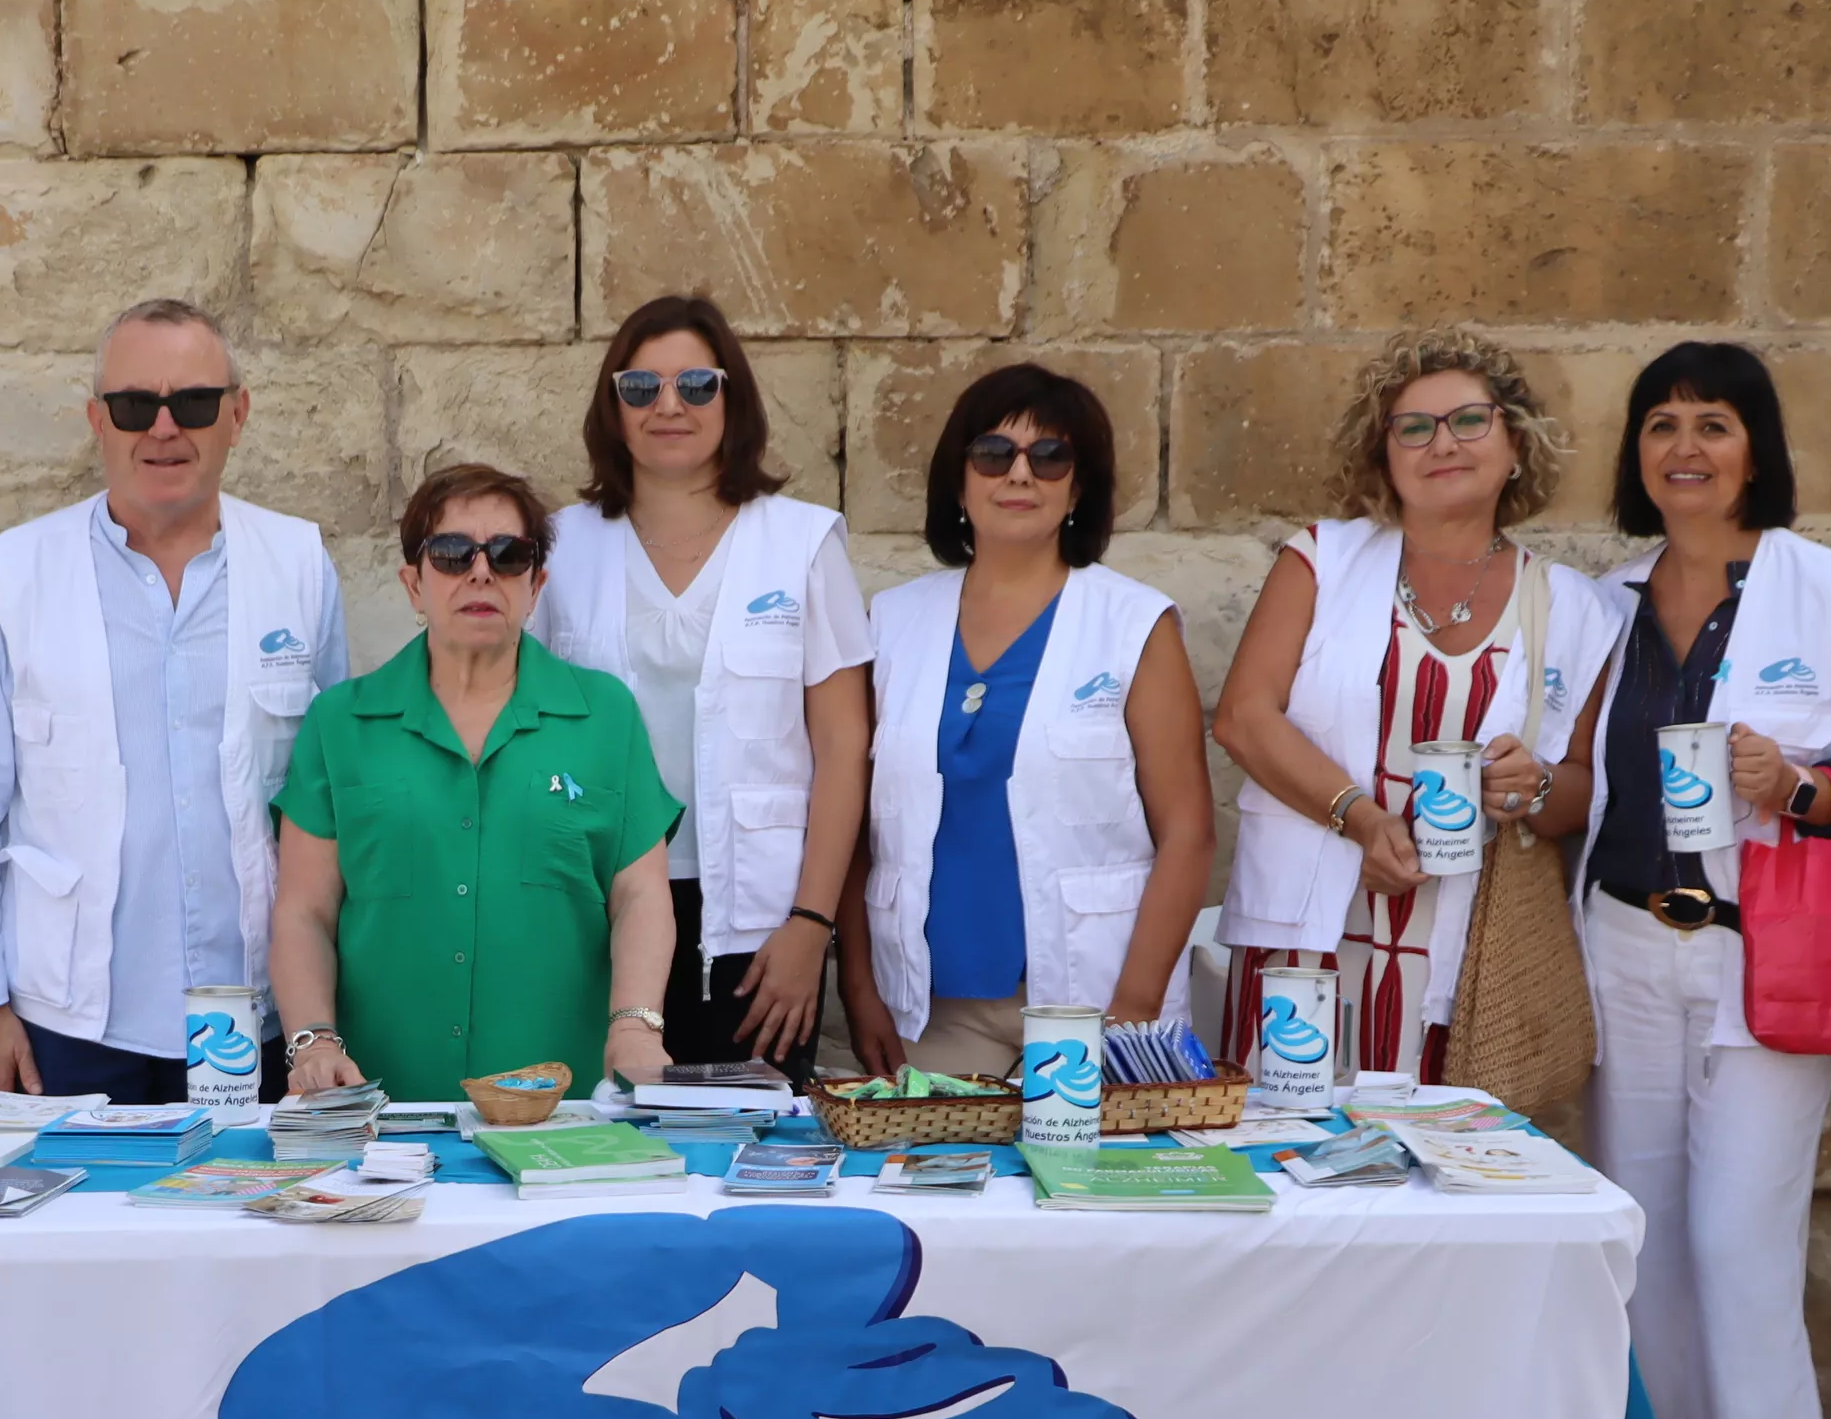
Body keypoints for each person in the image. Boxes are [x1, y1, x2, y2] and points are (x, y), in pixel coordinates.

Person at [1565, 342, 1831, 1419]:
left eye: (1713, 424)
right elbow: (1576, 770)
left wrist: (1801, 788)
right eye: (1661, 425)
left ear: (1756, 447)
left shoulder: (1828, 592)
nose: (1685, 447)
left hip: (1767, 953)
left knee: (1739, 1249)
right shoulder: (1609, 598)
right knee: (1639, 1239)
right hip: (1625, 938)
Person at [0, 299, 351, 1101]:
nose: (163, 429)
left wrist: (321, 1015)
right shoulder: (18, 576)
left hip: (259, 1013)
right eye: (133, 407)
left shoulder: (297, 563)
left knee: (256, 1224)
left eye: (193, 402)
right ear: (96, 420)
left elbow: (330, 799)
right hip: (72, 1022)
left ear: (238, 415)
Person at [1209, 328, 1626, 1084]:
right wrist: (1361, 820)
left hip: (1461, 957)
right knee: (1281, 1160)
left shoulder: (1574, 608)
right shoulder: (1322, 561)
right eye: (1413, 428)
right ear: (1385, 456)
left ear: (1516, 444)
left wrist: (1528, 786)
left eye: (1470, 420)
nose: (1444, 444)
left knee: (1431, 1173)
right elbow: (1243, 718)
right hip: (1307, 939)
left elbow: (1583, 795)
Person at [837, 363, 1215, 1078]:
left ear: (1079, 486)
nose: (1020, 475)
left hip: (1097, 1001)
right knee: (936, 1186)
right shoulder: (891, 622)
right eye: (993, 454)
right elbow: (857, 832)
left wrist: (1132, 1012)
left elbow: (1189, 834)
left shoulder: (1134, 623)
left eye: (1050, 457)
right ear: (959, 478)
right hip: (930, 1007)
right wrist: (858, 989)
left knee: (1091, 1190)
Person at [530, 295, 874, 1074]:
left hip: (758, 924)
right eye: (641, 389)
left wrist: (811, 924)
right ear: (612, 409)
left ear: (734, 398)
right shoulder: (561, 547)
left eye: (696, 384)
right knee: (605, 1145)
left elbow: (845, 747)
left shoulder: (801, 542)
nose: (669, 406)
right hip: (595, 907)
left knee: (743, 1152)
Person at [271, 464, 677, 1102]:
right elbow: (304, 910)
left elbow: (641, 895)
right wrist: (313, 1041)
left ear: (536, 585)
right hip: (381, 1111)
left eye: (509, 555)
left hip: (560, 1115)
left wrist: (635, 1028)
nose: (481, 573)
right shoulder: (340, 723)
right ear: (414, 583)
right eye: (453, 554)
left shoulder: (606, 716)